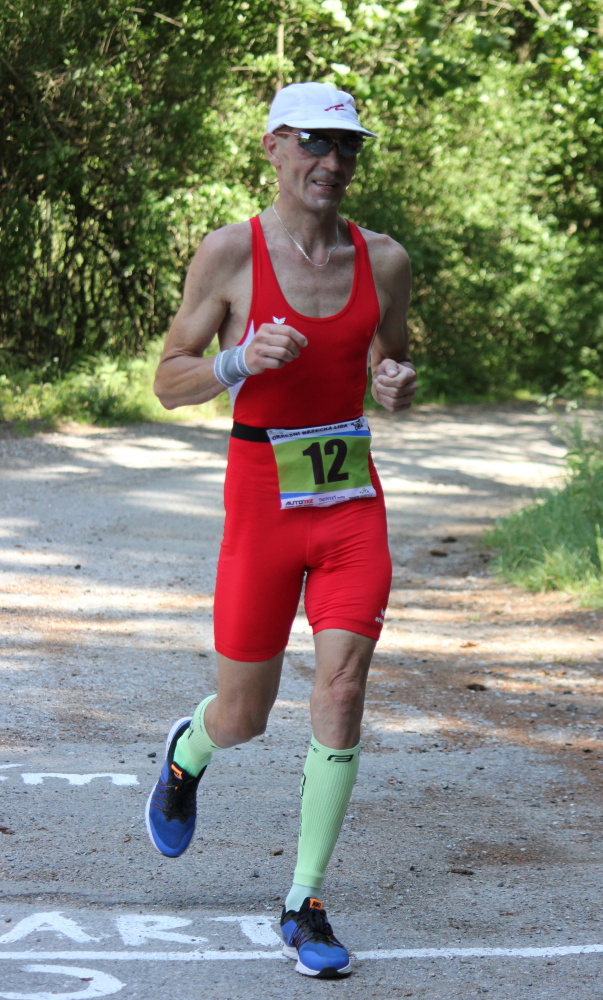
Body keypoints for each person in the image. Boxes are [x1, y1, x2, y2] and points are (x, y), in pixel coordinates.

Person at [145, 81, 418, 978]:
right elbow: (169, 380)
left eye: (346, 146)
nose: (330, 161)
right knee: (244, 716)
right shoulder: (230, 253)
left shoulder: (384, 260)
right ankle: (187, 754)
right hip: (262, 502)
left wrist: (394, 383)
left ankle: (303, 904)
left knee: (341, 689)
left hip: (349, 505)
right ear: (272, 146)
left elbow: (389, 358)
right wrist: (237, 359)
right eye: (312, 142)